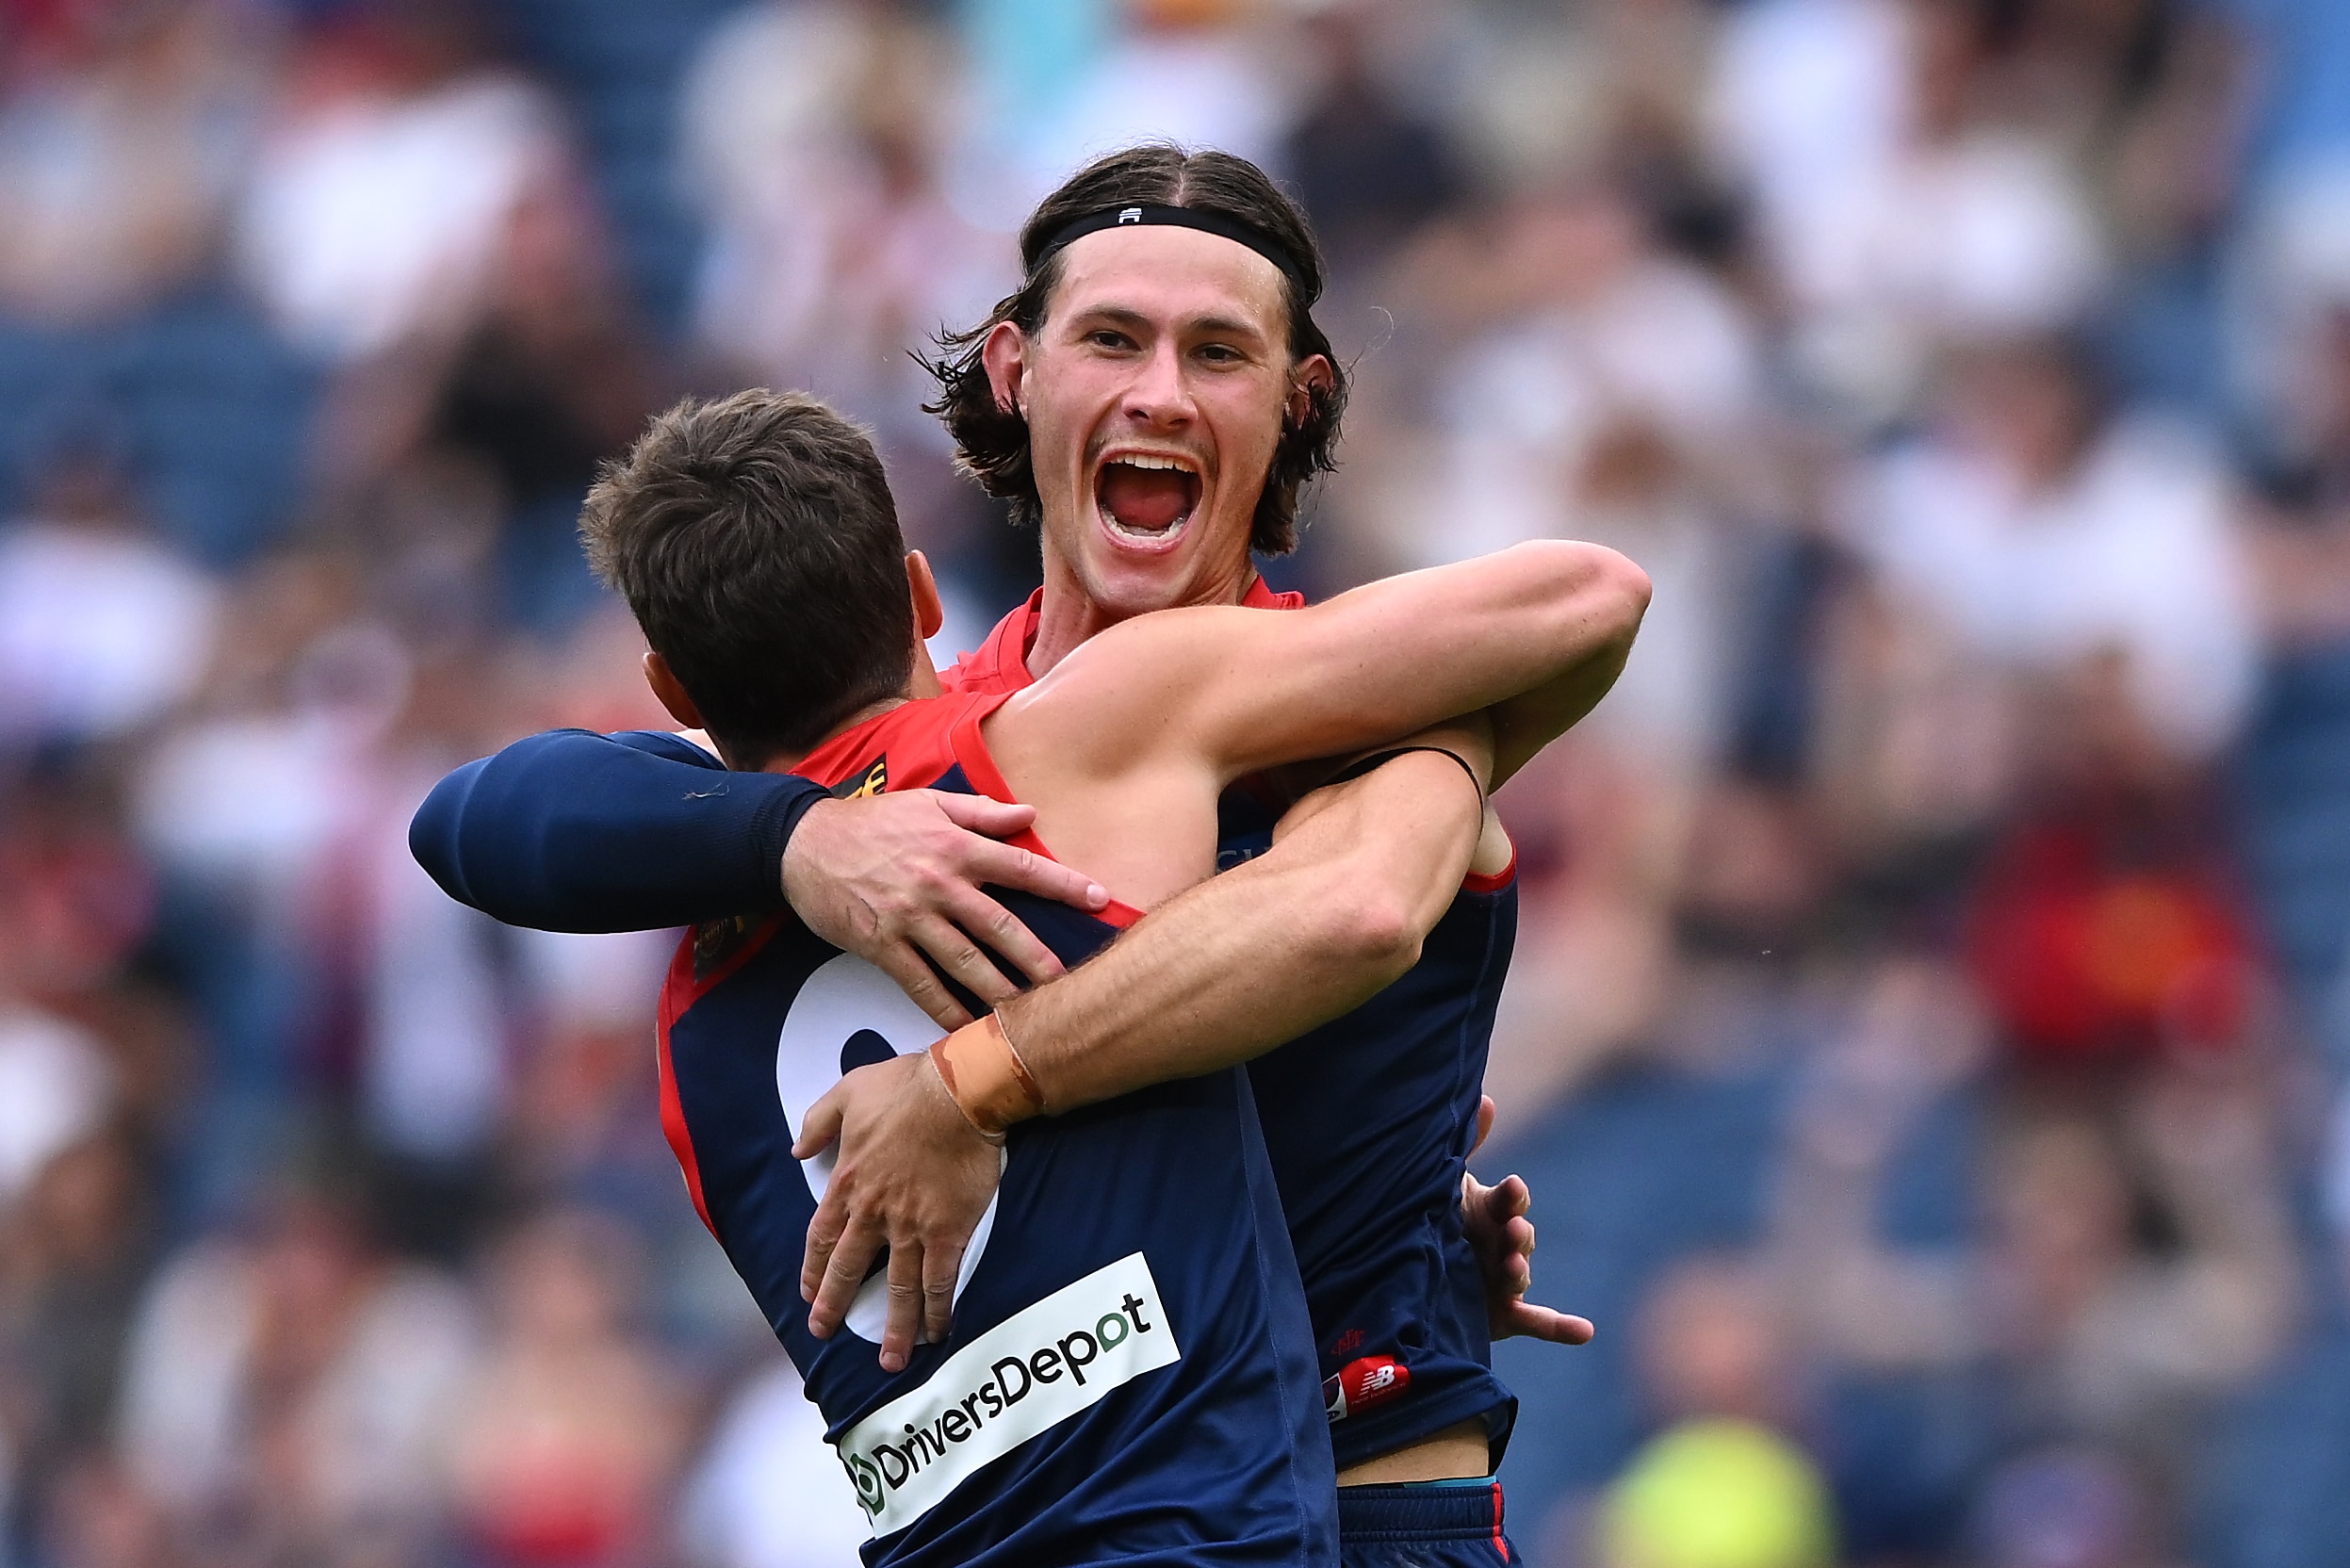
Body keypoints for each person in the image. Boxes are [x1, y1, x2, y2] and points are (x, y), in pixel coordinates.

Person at [410, 144, 1634, 1558]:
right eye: (1111, 338)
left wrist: (974, 1086)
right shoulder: (933, 752)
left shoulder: (1354, 711)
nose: (1159, 392)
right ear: (1015, 370)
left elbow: (1353, 905)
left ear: (1296, 400)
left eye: (1216, 352)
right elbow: (483, 815)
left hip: (1357, 1512)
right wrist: (800, 839)